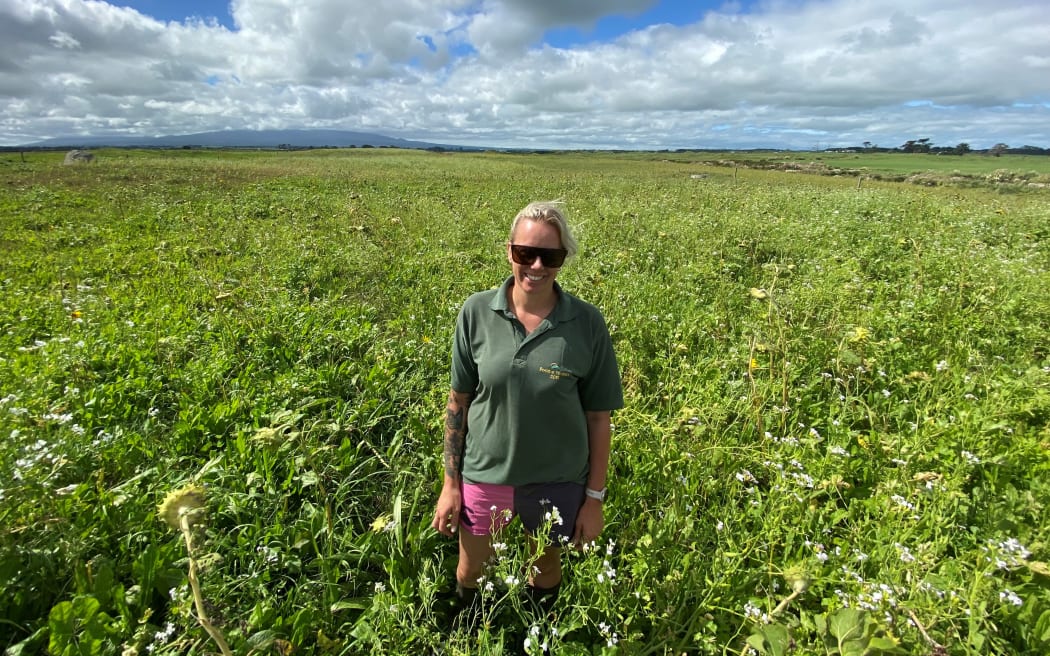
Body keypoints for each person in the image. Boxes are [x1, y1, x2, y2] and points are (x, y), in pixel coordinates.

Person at [431, 201, 624, 617]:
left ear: (563, 260)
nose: (536, 266)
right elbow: (458, 402)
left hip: (557, 479)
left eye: (550, 257)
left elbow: (598, 418)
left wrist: (594, 499)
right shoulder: (476, 312)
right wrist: (450, 484)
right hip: (485, 474)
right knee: (470, 571)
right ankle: (473, 630)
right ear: (509, 252)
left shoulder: (587, 323)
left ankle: (537, 634)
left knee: (544, 566)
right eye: (525, 254)